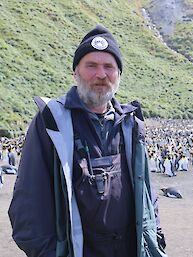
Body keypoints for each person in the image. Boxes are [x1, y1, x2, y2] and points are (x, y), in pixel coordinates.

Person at [8, 25, 167, 257]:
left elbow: (147, 195)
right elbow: (28, 205)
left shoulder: (131, 124)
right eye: (91, 66)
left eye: (109, 67)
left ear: (118, 75)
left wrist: (156, 240)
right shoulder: (51, 123)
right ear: (76, 72)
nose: (101, 74)